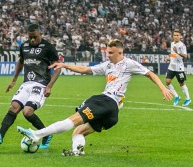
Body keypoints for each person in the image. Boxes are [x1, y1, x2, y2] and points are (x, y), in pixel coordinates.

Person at [16, 39, 172, 156]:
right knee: (77, 132)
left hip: (106, 101)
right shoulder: (107, 65)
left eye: (111, 52)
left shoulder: (128, 63)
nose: (108, 55)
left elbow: (150, 73)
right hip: (112, 113)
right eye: (107, 52)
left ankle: (36, 134)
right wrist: (64, 65)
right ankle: (77, 152)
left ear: (120, 52)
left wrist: (163, 88)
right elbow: (85, 69)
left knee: (72, 120)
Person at [0, 24, 61, 149]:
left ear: (40, 34)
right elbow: (21, 62)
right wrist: (14, 80)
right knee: (13, 107)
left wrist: (50, 85)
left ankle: (46, 133)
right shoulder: (24, 46)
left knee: (27, 111)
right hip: (26, 84)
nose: (32, 40)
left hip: (41, 84)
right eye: (30, 37)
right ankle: (0, 134)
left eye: (35, 37)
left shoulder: (48, 47)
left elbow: (58, 68)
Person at [165, 29, 191, 106]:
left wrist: (177, 52)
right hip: (171, 66)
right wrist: (169, 58)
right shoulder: (172, 43)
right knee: (167, 82)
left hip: (179, 67)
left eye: (177, 35)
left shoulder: (182, 45)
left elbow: (185, 56)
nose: (176, 37)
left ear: (180, 36)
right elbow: (173, 54)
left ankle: (188, 99)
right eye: (174, 35)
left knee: (181, 83)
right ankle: (177, 96)